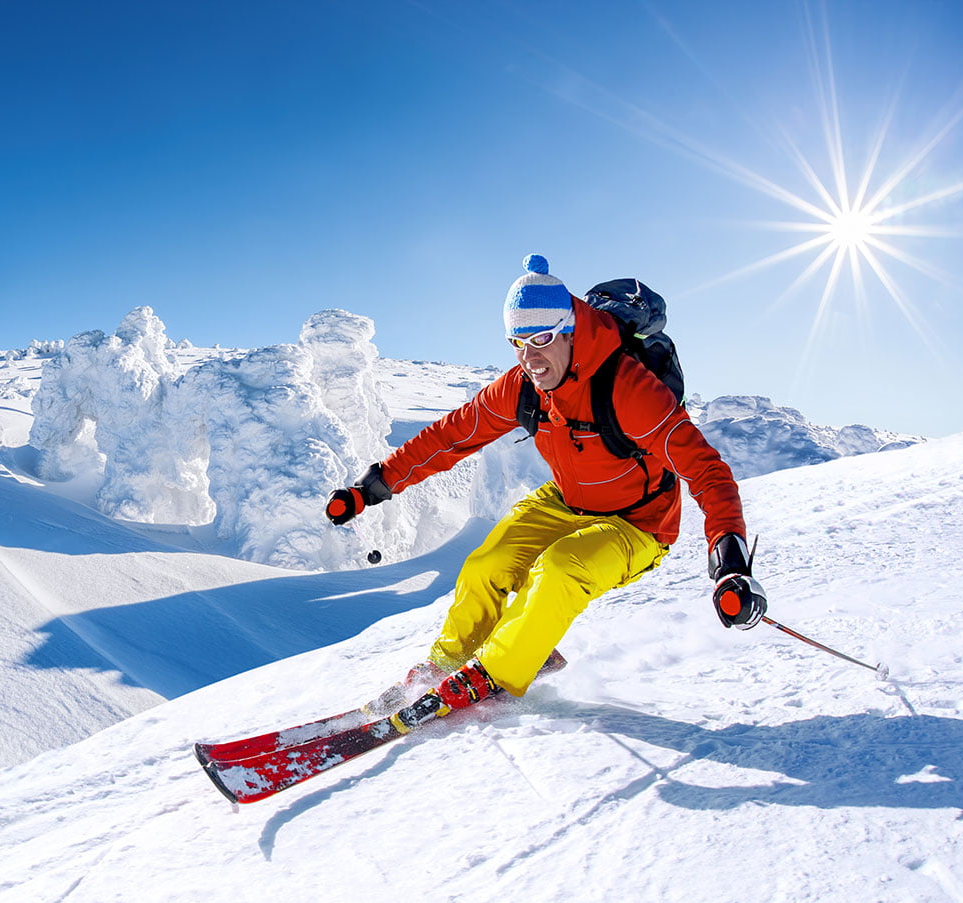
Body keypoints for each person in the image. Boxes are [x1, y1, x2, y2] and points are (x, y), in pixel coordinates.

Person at [325, 254, 767, 726]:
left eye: (542, 339)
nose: (530, 358)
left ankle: (495, 674)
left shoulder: (629, 388)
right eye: (518, 343)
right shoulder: (522, 386)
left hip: (638, 521)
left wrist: (730, 561)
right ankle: (448, 665)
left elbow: (706, 472)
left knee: (559, 569)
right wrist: (372, 487)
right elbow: (450, 437)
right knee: (485, 566)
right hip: (566, 501)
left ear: (572, 331)